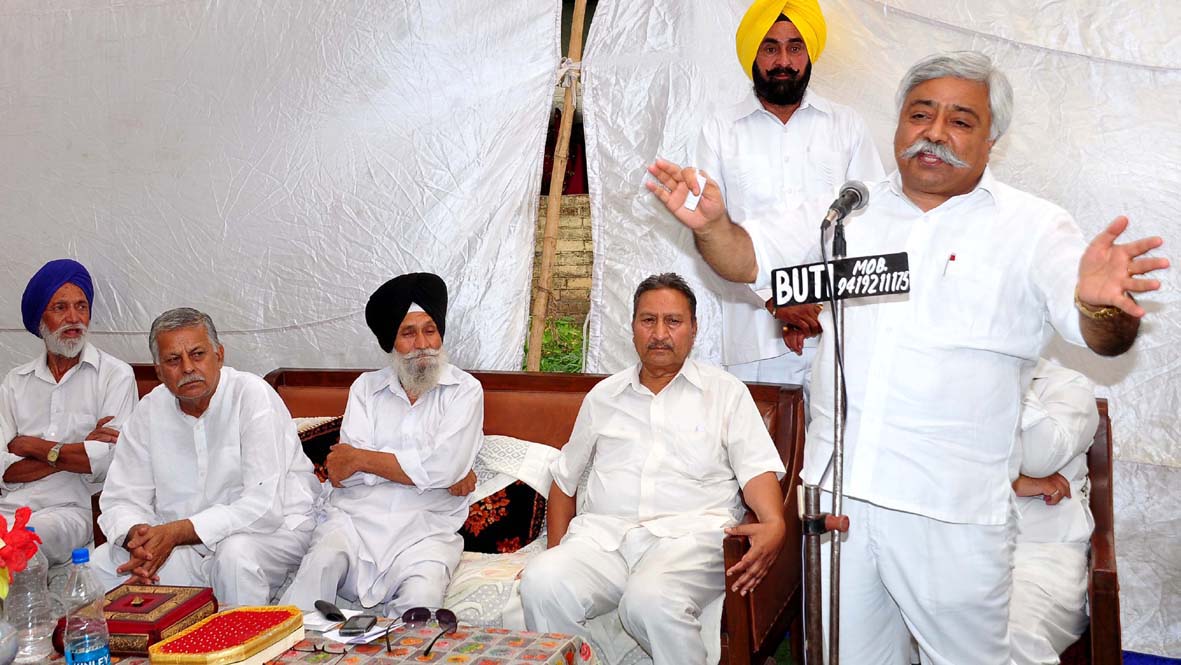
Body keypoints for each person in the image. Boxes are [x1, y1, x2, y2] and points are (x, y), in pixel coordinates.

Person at [646, 51, 1167, 664]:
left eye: (961, 121)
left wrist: (1104, 306)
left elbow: (1098, 334)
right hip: (843, 505)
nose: (936, 133)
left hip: (951, 516)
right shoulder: (845, 214)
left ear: (991, 140)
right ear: (897, 124)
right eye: (920, 114)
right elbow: (746, 259)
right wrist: (711, 227)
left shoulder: (1032, 229)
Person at [520, 273, 787, 665]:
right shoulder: (604, 396)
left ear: (694, 329)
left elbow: (757, 470)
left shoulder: (725, 393)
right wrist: (557, 552)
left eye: (673, 321)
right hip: (604, 541)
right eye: (648, 320)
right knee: (541, 581)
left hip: (689, 541)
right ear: (632, 328)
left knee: (648, 600)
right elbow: (564, 480)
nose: (660, 333)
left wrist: (774, 521)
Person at [700, 0, 883, 384]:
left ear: (809, 53)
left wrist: (816, 306)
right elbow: (709, 231)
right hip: (755, 340)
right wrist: (774, 299)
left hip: (837, 333)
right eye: (770, 47)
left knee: (838, 443)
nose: (783, 59)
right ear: (754, 54)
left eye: (795, 47)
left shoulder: (845, 126)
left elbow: (872, 221)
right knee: (762, 444)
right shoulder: (719, 130)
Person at [281, 272, 483, 616]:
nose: (422, 344)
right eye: (408, 333)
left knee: (421, 606)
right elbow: (346, 472)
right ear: (391, 341)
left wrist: (365, 459)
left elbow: (444, 466)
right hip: (353, 523)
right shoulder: (365, 389)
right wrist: (430, 473)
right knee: (316, 573)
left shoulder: (465, 391)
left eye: (430, 331)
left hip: (424, 536)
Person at [92, 308, 320, 605]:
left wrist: (178, 532)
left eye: (197, 354)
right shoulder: (148, 411)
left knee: (234, 556)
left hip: (272, 534)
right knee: (102, 564)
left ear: (219, 355)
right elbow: (121, 498)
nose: (187, 368)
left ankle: (242, 648)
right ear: (159, 372)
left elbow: (263, 508)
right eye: (174, 360)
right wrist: (139, 539)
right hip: (184, 543)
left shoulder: (251, 395)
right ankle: (163, 648)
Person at [0, 259, 137, 566]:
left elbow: (105, 460)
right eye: (60, 308)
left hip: (71, 511)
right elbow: (4, 469)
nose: (74, 318)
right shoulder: (15, 382)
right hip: (9, 507)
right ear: (40, 320)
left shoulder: (115, 375)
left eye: (81, 306)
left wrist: (31, 446)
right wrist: (73, 451)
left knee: (22, 547)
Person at [1010, 359, 1099, 664]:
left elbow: (1038, 457)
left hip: (1038, 551)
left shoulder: (1068, 387)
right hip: (952, 540)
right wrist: (1017, 483)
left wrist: (1008, 374)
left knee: (1007, 635)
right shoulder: (947, 382)